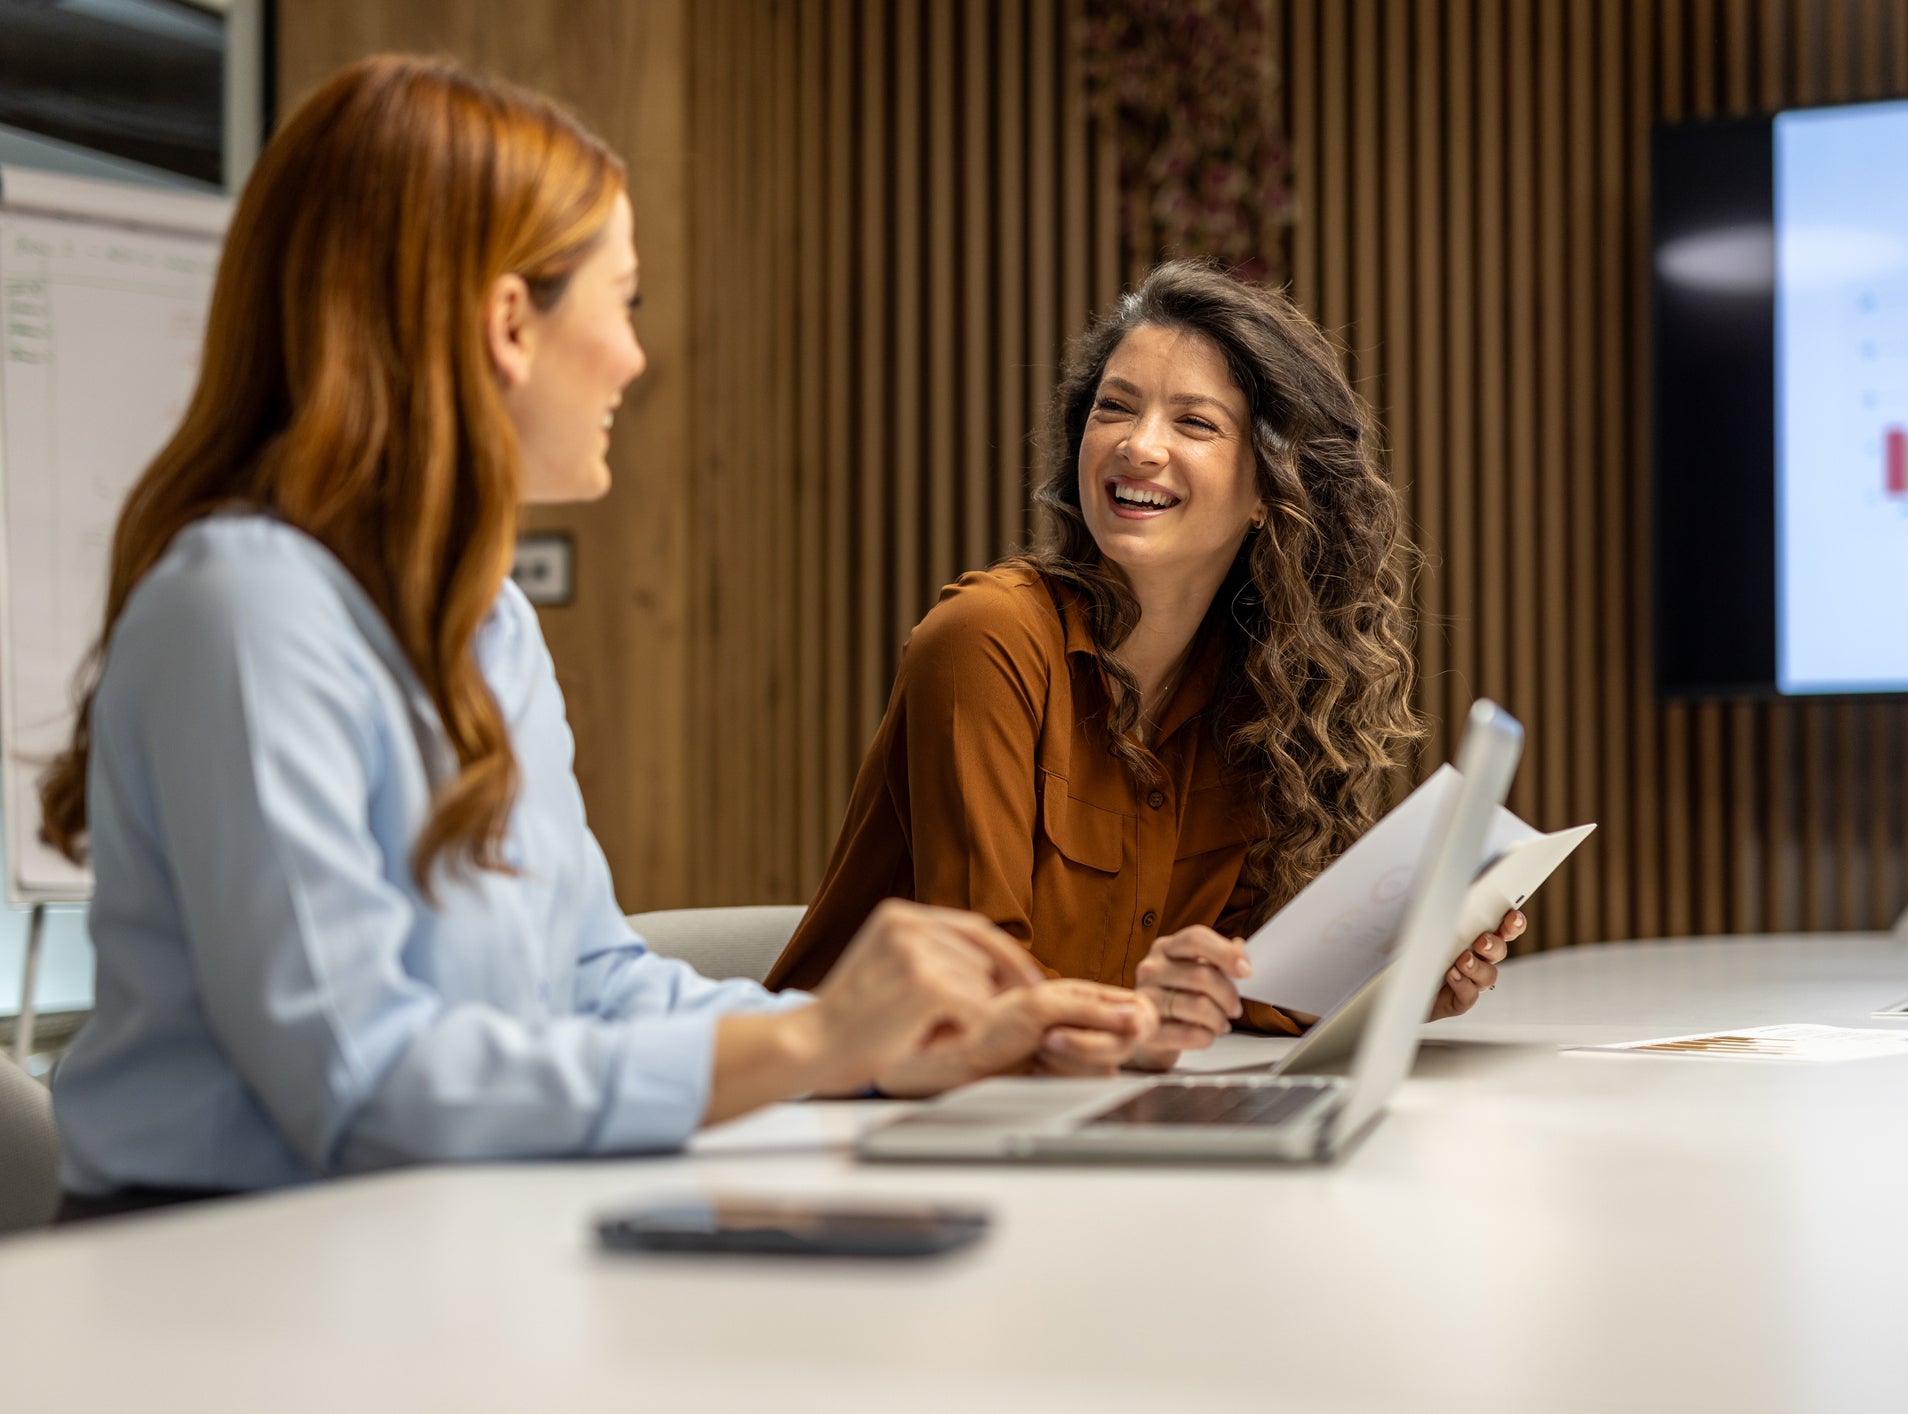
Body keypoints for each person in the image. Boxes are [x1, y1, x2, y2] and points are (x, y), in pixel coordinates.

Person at [43, 55, 1152, 1220]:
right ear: (510, 324)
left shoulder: (486, 621)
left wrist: (896, 1047)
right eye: (622, 301)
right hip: (214, 1271)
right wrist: (815, 1041)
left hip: (425, 1242)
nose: (635, 354)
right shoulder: (245, 606)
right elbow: (359, 1084)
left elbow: (590, 982)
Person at [767, 260, 1525, 1067]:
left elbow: (1241, 986)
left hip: (1075, 1122)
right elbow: (977, 1001)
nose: (1139, 445)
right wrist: (1143, 1012)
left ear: (1272, 487)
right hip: (848, 1124)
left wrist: (1397, 985)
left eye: (1194, 424)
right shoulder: (983, 642)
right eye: (1115, 409)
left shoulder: (1257, 695)